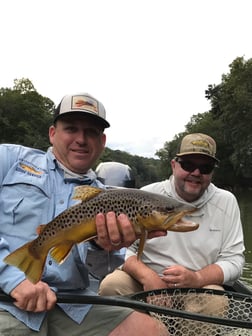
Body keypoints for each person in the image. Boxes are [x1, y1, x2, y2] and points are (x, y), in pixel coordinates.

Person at [0, 93, 169, 336]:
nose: (81, 139)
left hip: (73, 305)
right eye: (71, 129)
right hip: (6, 300)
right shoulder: (9, 160)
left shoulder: (109, 199)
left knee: (150, 330)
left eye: (90, 132)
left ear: (102, 141)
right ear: (52, 133)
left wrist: (102, 248)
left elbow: (100, 273)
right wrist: (13, 280)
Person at [99, 133, 245, 296]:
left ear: (212, 172)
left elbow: (234, 261)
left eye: (205, 167)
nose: (196, 172)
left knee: (215, 299)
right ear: (174, 165)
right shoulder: (145, 195)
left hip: (200, 288)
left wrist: (197, 278)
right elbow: (122, 249)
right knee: (111, 285)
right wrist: (148, 277)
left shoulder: (226, 202)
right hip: (143, 283)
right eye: (188, 165)